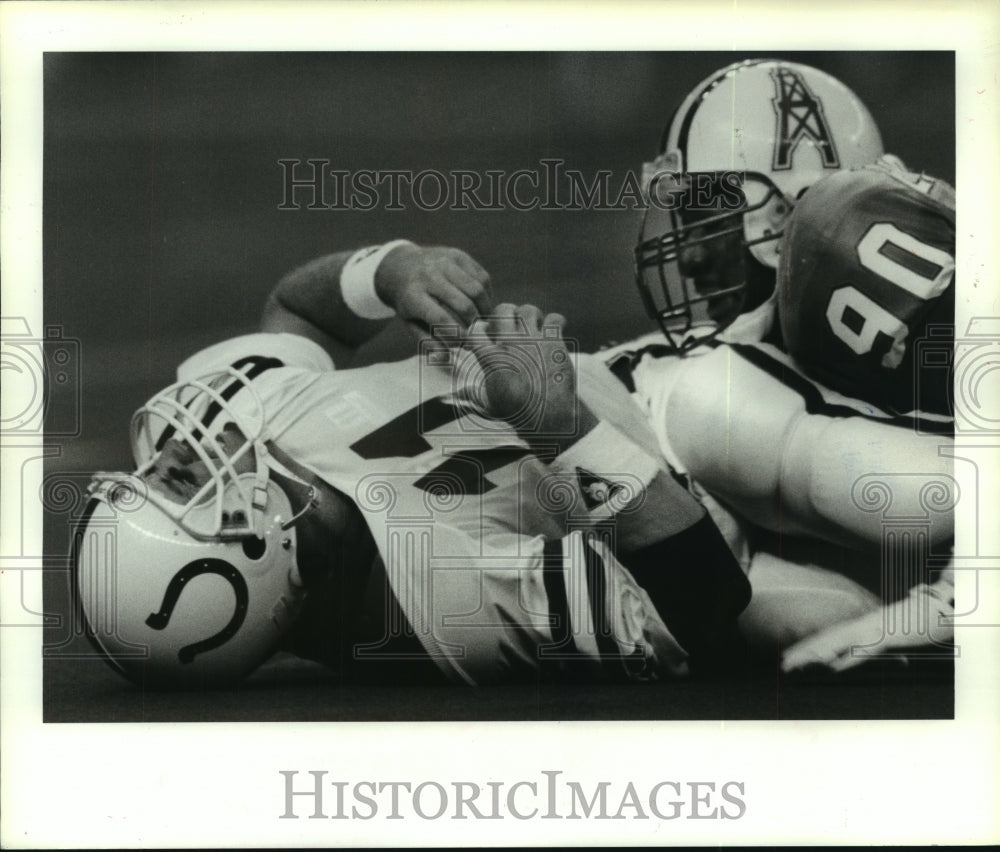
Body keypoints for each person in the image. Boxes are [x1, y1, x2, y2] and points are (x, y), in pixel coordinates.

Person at [74, 244, 751, 689]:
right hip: (711, 453)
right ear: (246, 546)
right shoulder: (444, 602)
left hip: (645, 361)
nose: (177, 448)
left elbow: (300, 311)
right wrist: (562, 426)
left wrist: (392, 273)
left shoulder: (220, 424)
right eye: (181, 480)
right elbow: (702, 606)